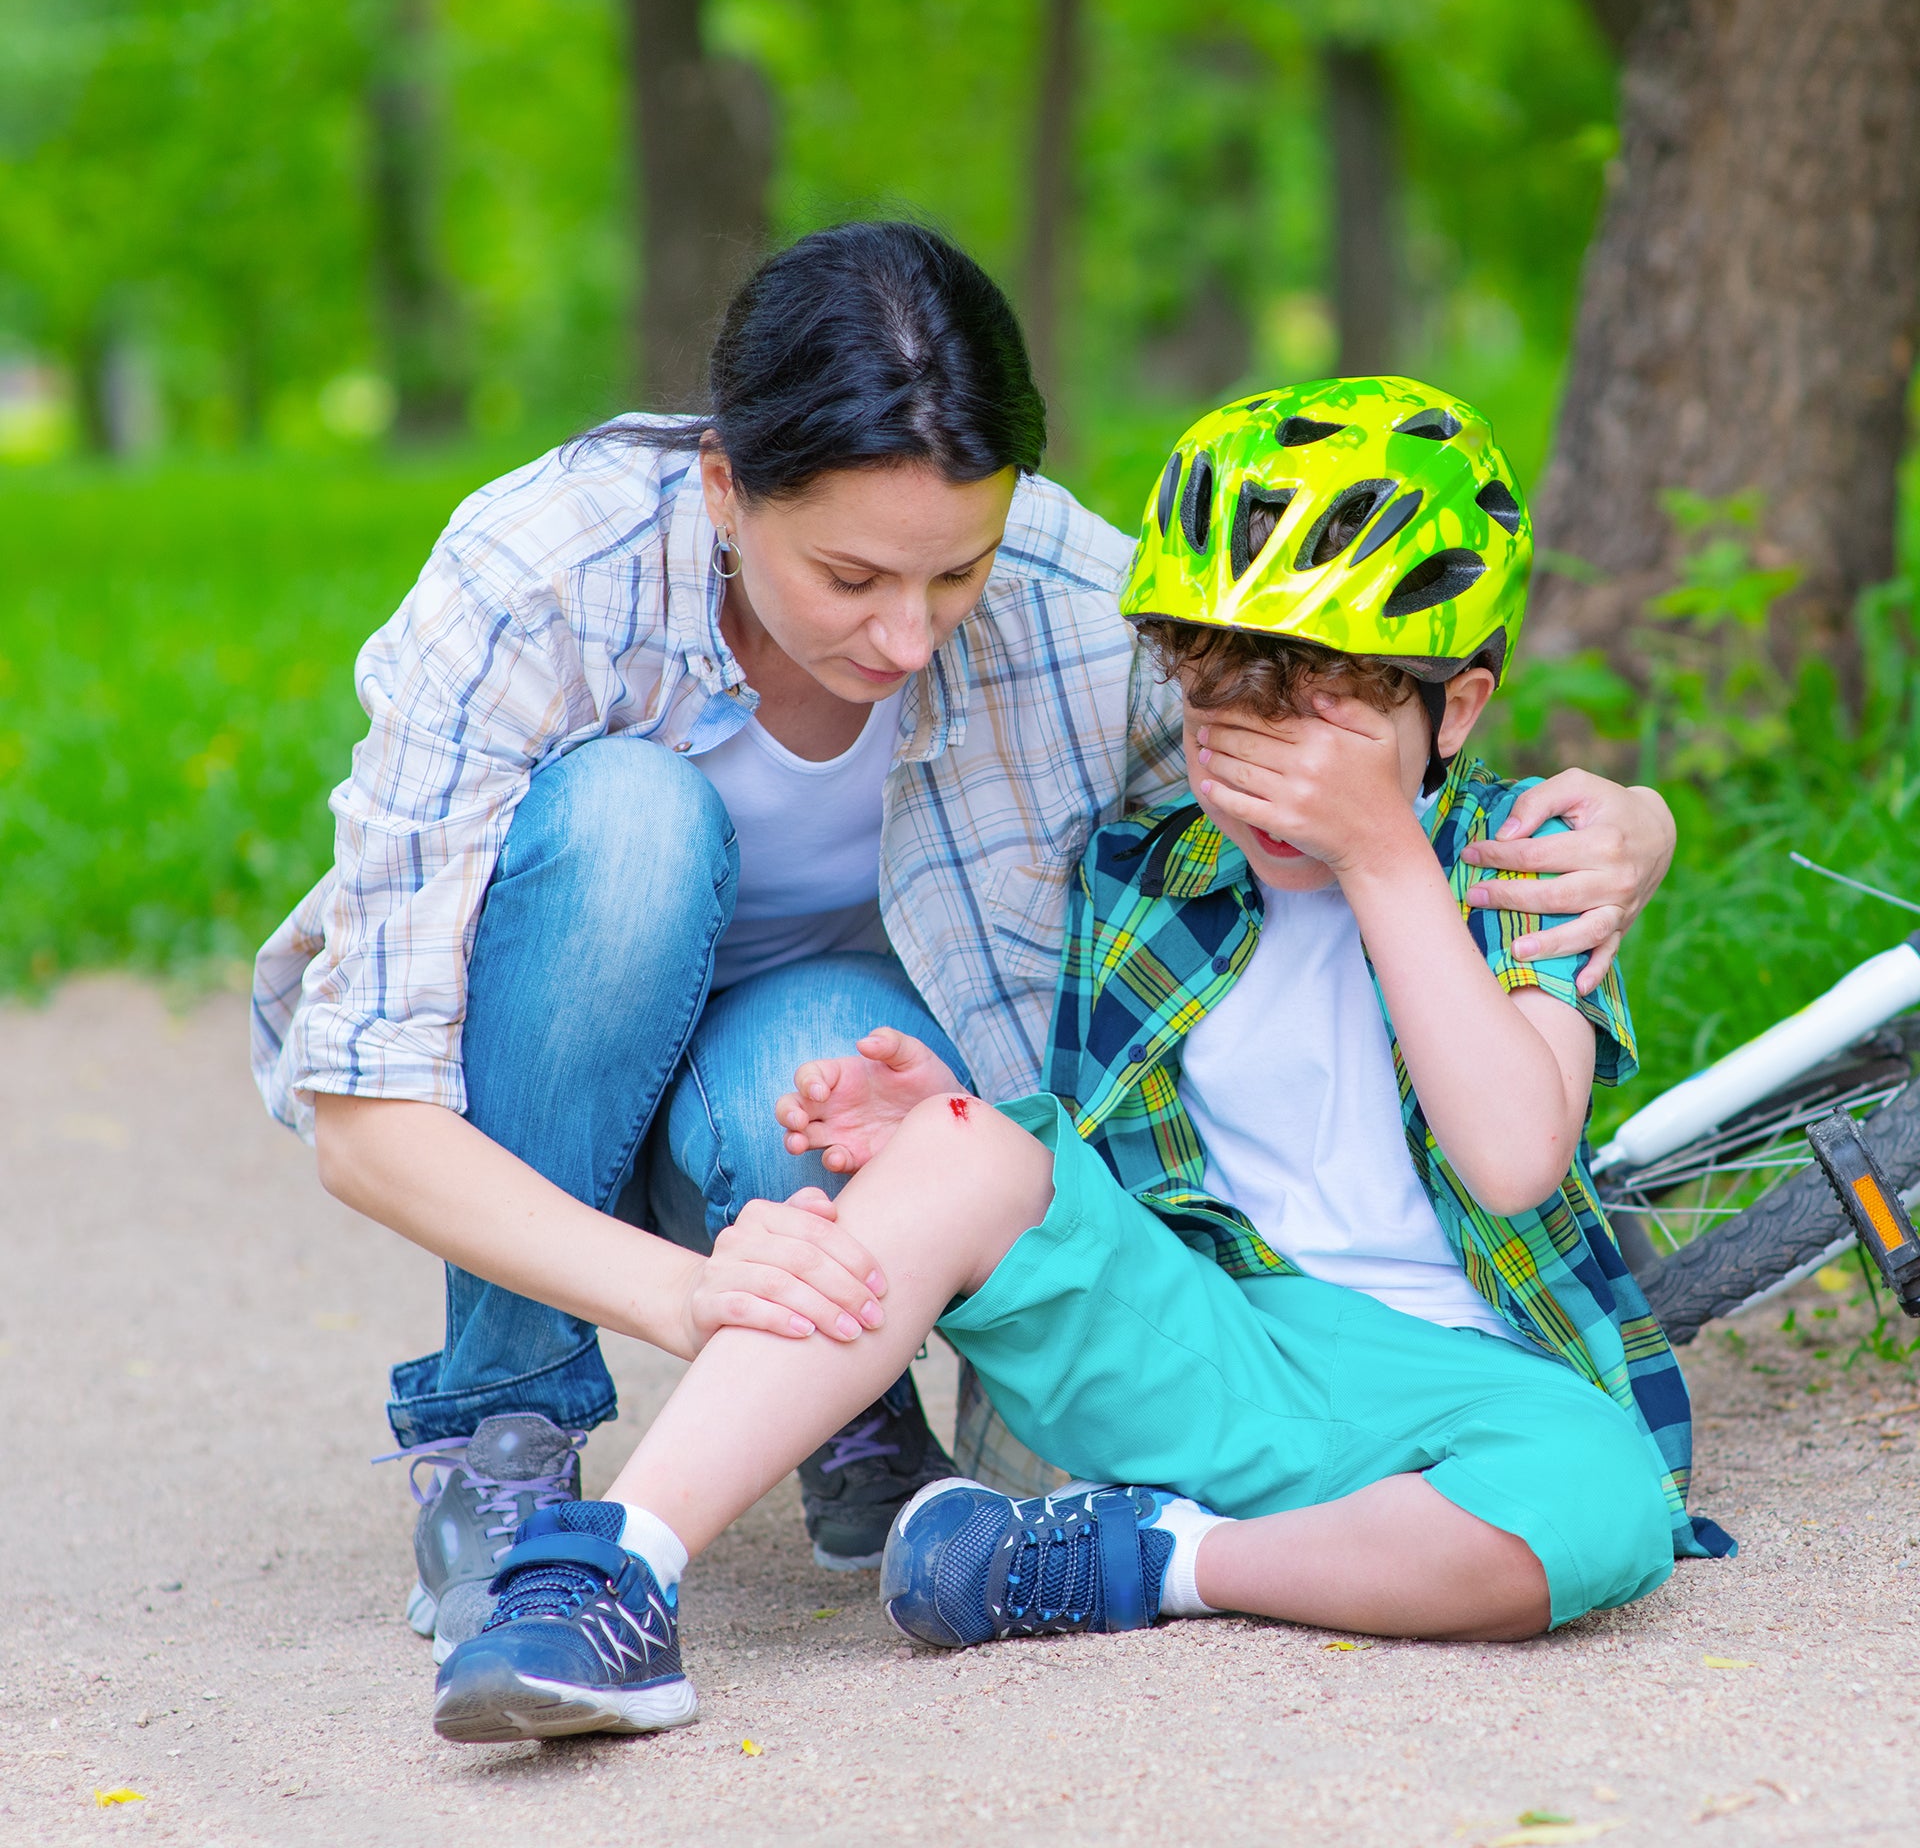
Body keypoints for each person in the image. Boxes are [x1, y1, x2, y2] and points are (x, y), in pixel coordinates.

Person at [252, 224, 1679, 1652]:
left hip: (869, 1103)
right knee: (652, 843)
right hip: (579, 1072)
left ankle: (1041, 1506)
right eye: (855, 580)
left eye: (958, 576)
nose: (911, 638)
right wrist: (718, 1276)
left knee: (1593, 1499)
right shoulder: (547, 580)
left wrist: (1620, 823)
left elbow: (1492, 1110)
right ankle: (558, 1496)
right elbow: (367, 1108)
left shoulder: (1089, 615)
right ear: (725, 490)